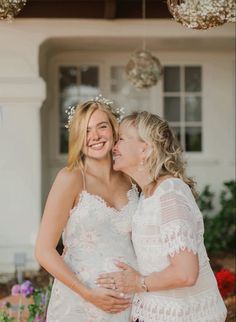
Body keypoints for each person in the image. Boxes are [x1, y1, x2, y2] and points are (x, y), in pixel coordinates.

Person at [96, 111, 227, 322]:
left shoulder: (170, 193)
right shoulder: (148, 196)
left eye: (121, 139)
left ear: (145, 148)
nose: (114, 146)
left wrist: (137, 283)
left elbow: (186, 273)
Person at [35, 96, 139, 322]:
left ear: (113, 130)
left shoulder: (131, 177)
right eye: (86, 130)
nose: (95, 137)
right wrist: (88, 294)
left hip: (130, 301)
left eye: (102, 127)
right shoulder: (70, 178)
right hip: (81, 300)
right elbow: (43, 250)